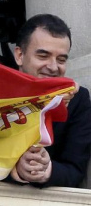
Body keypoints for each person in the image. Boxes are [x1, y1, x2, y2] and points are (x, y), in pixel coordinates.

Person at [9, 14, 91, 187]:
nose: (53, 67)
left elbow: (75, 169)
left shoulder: (78, 100)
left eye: (61, 59)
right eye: (43, 56)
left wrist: (46, 170)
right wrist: (14, 169)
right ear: (19, 55)